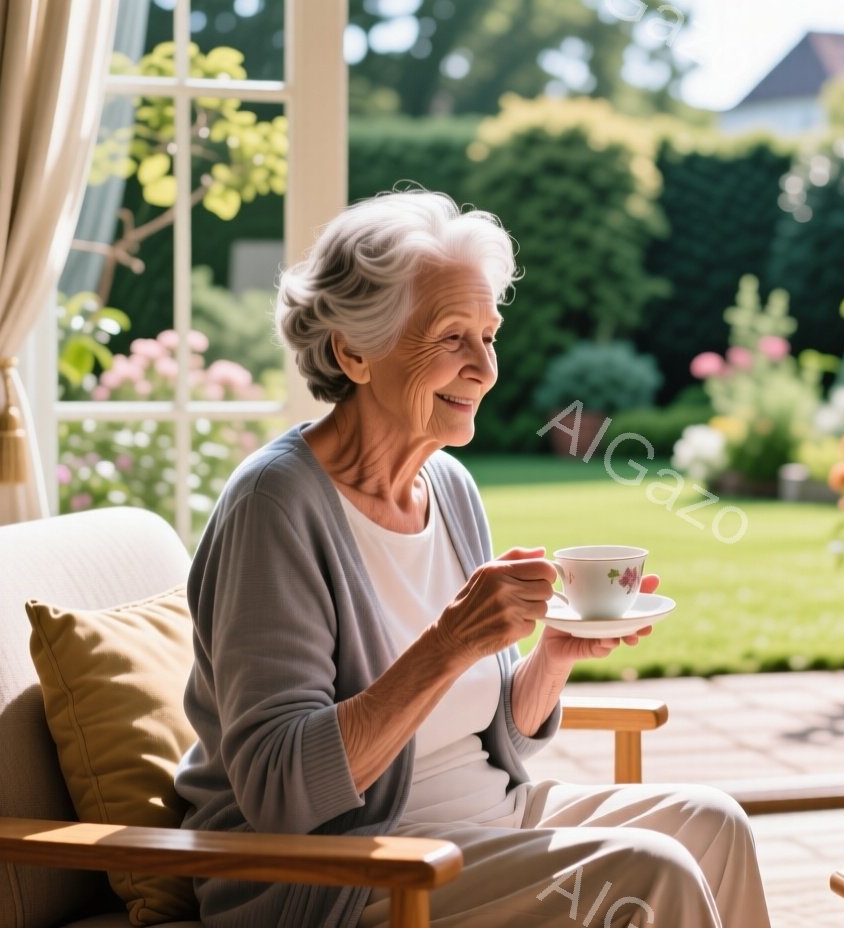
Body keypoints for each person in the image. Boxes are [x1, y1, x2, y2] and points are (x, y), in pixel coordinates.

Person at [174, 190, 772, 927]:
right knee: (649, 872)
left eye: (489, 335)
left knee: (714, 821)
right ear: (352, 352)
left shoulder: (448, 485)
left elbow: (488, 736)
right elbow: (282, 792)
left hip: (485, 828)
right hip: (347, 871)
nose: (484, 369)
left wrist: (550, 656)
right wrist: (452, 640)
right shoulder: (276, 504)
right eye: (453, 336)